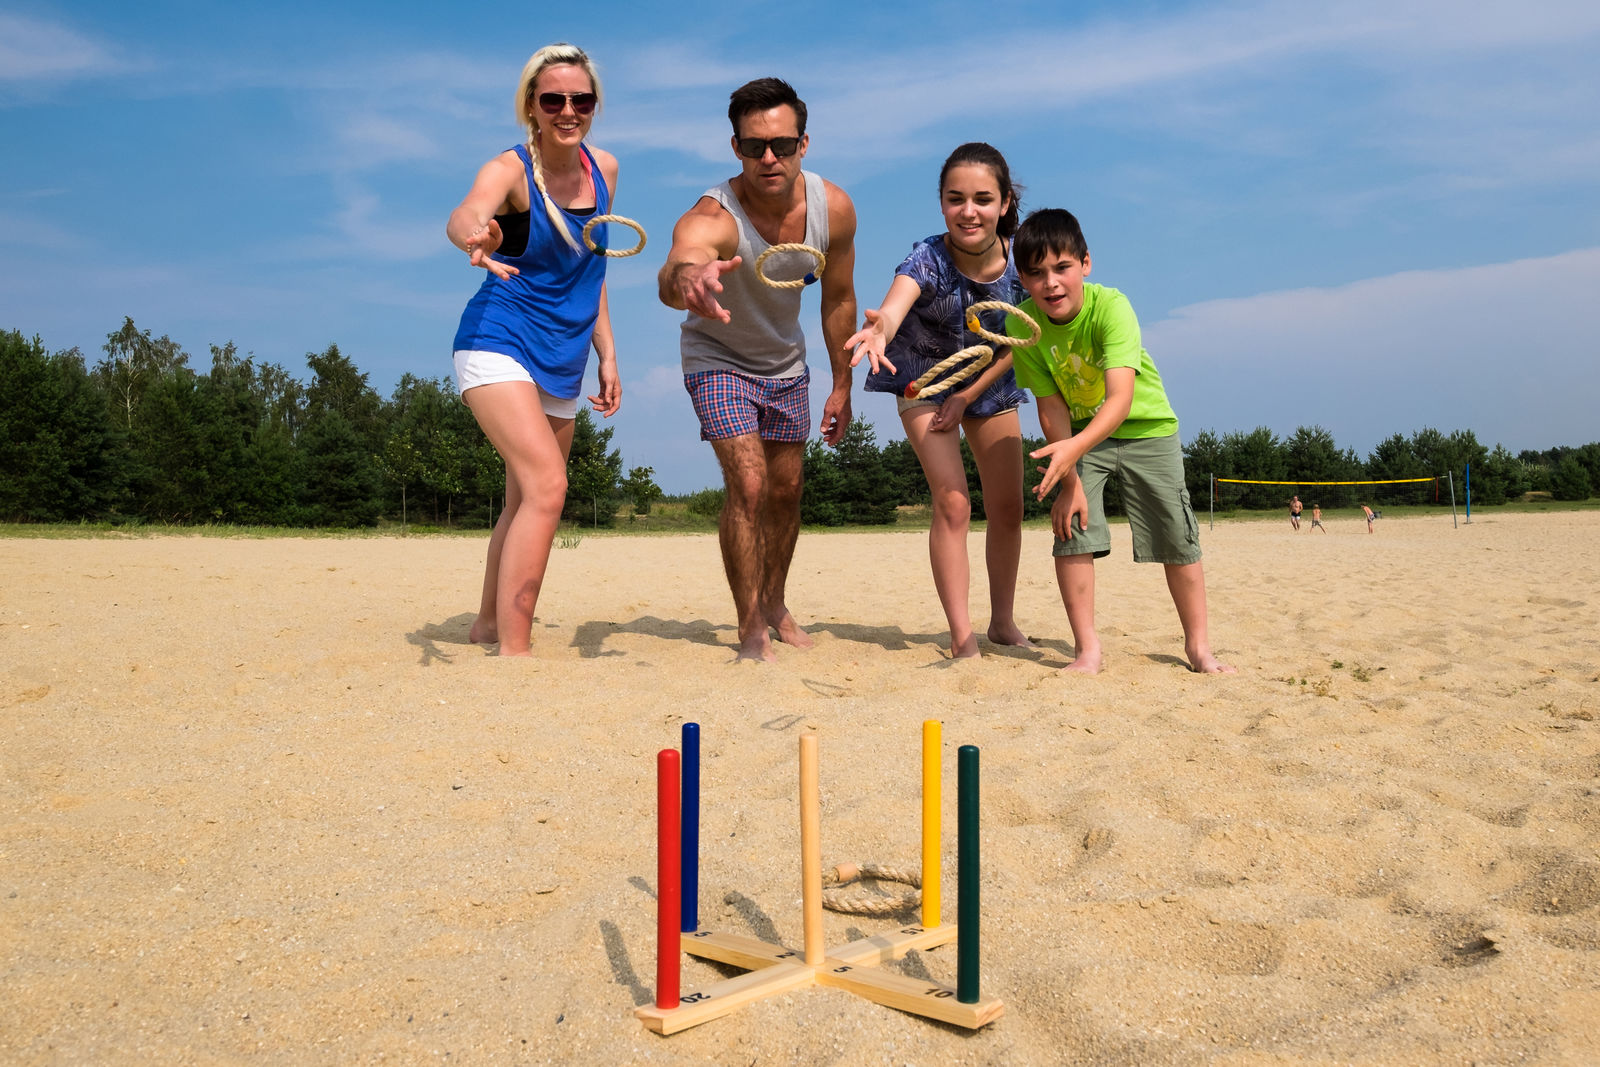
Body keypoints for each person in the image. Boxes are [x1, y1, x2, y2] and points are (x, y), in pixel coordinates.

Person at [658, 77, 858, 662]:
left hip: (784, 362)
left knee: (786, 490)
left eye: (782, 144)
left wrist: (842, 385)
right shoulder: (714, 215)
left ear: (804, 144)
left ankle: (775, 602)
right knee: (747, 484)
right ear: (735, 148)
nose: (768, 158)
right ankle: (750, 625)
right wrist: (688, 279)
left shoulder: (834, 209)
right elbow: (678, 267)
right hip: (717, 358)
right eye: (753, 147)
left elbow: (840, 299)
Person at [446, 43, 622, 656]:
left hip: (564, 352)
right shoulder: (512, 169)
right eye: (554, 99)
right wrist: (474, 232)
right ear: (532, 105)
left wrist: (607, 352)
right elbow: (468, 209)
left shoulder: (606, 169)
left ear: (594, 105)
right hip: (497, 338)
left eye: (581, 99)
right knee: (549, 486)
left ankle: (489, 624)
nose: (568, 110)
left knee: (524, 497)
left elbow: (589, 269)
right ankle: (515, 653)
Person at [1011, 208, 1233, 675]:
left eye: (1062, 268)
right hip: (1078, 438)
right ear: (1023, 279)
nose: (1050, 283)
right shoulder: (1023, 325)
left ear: (1085, 264)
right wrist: (1068, 474)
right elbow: (1049, 405)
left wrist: (1073, 449)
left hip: (1146, 428)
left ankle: (1198, 647)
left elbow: (1120, 399)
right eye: (1036, 274)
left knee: (1177, 535)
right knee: (1071, 531)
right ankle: (1087, 650)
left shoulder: (1112, 306)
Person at [846, 143, 1032, 659]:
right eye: (955, 199)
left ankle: (1002, 622)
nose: (968, 211)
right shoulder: (927, 257)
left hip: (990, 377)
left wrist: (968, 396)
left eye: (982, 199)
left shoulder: (1023, 261)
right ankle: (961, 634)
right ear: (942, 203)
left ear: (1004, 203)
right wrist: (880, 329)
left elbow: (1022, 345)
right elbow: (894, 303)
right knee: (953, 501)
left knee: (1008, 508)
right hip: (922, 381)